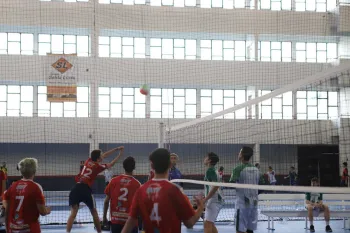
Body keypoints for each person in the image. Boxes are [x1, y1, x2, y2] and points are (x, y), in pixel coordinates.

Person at [121, 148, 204, 233]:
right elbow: (189, 223)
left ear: (152, 166)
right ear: (170, 165)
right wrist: (201, 207)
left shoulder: (141, 190)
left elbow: (130, 221)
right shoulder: (175, 190)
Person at [66, 146, 124, 233]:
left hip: (76, 188)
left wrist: (116, 149)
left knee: (73, 214)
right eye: (101, 156)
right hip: (85, 189)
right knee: (94, 213)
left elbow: (104, 155)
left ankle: (67, 232)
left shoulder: (88, 160)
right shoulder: (98, 167)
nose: (103, 156)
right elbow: (111, 164)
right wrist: (120, 153)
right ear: (98, 159)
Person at [2, 158, 51, 233]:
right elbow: (42, 212)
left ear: (21, 172)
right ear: (34, 171)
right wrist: (47, 210)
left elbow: (6, 211)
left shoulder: (12, 187)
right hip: (30, 229)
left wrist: (7, 228)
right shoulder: (36, 187)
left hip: (14, 229)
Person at [103, 157, 141, 233]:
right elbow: (140, 206)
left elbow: (106, 201)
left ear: (123, 167)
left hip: (115, 221)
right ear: (134, 167)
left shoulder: (113, 181)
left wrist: (104, 218)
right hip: (130, 222)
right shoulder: (137, 184)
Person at [230, 146, 261, 233]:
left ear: (242, 155)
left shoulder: (237, 169)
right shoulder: (257, 170)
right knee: (250, 230)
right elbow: (263, 185)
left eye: (240, 152)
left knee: (240, 230)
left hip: (242, 205)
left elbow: (231, 184)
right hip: (254, 204)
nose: (238, 154)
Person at [203, 152, 223, 233]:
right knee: (210, 224)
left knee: (207, 224)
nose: (204, 159)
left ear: (209, 160)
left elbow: (215, 186)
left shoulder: (210, 170)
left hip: (214, 200)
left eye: (206, 157)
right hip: (215, 200)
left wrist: (205, 199)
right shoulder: (214, 170)